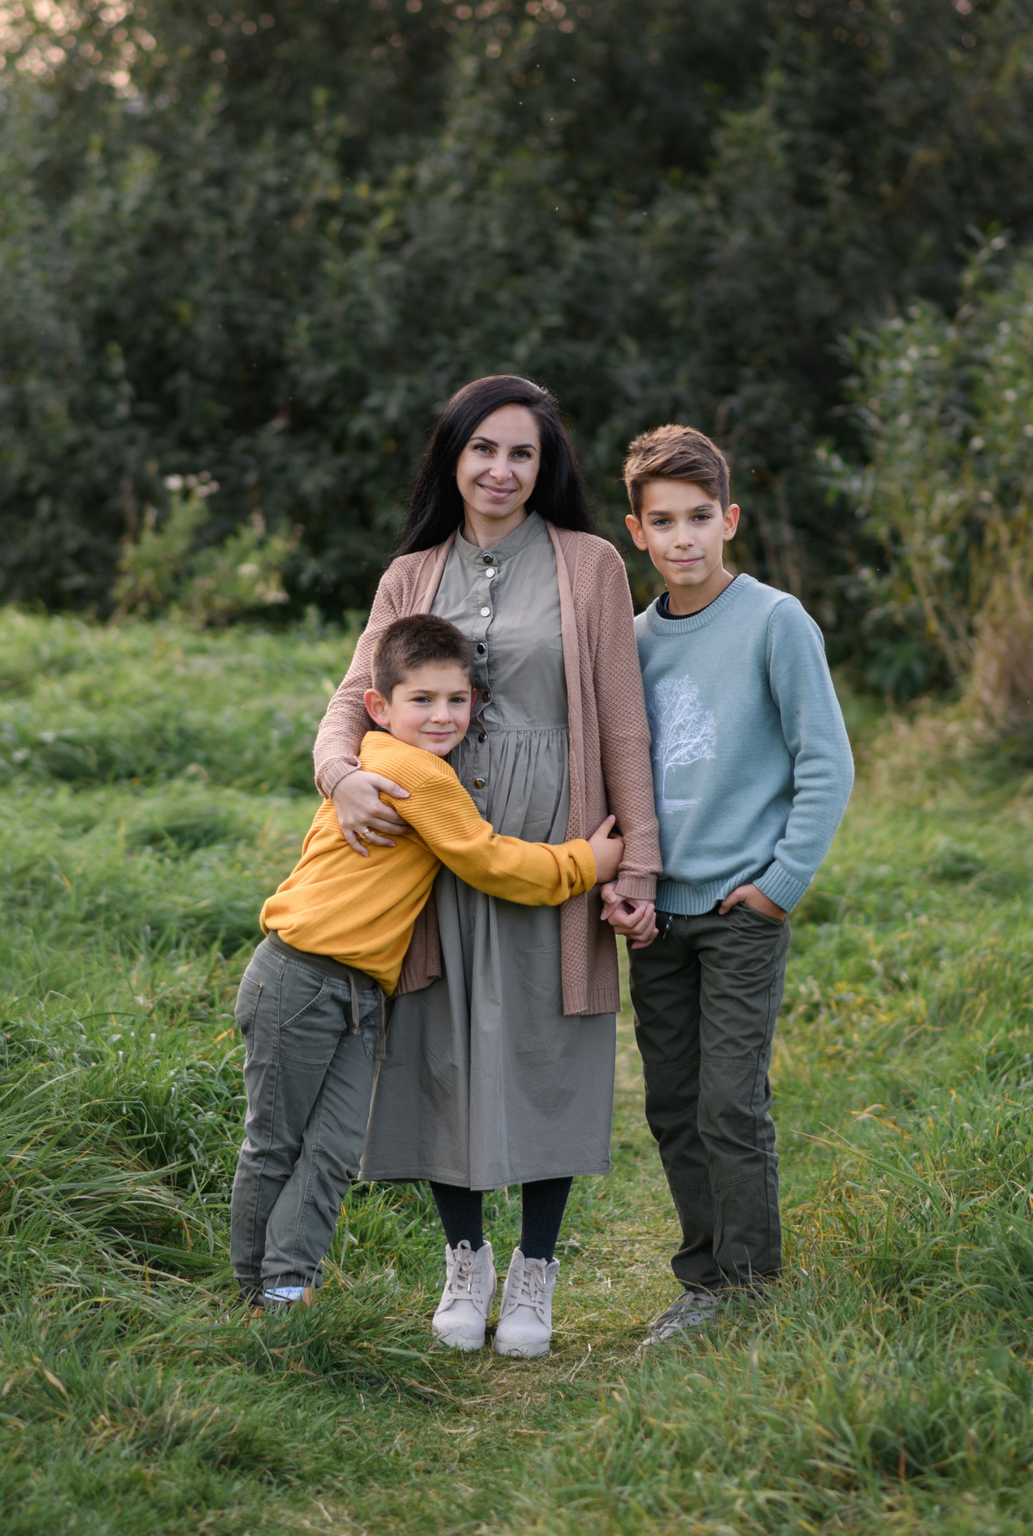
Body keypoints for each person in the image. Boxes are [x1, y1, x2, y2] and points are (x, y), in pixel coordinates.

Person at [316, 375, 660, 1358]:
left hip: (559, 832)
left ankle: (535, 1274)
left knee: (552, 1044)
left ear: (544, 466)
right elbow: (352, 699)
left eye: (522, 453)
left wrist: (633, 866)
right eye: (483, 450)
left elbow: (625, 723)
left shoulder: (591, 564)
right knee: (441, 1042)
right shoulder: (409, 575)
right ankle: (464, 1261)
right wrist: (340, 778)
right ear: (452, 459)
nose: (501, 471)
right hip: (438, 843)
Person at [233, 614, 624, 1311]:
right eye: (422, 700)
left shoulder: (395, 761)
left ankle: (286, 1290)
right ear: (378, 708)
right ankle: (248, 1294)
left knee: (330, 1153)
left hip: (359, 992)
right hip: (299, 977)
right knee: (276, 1144)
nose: (442, 715)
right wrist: (584, 864)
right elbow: (491, 861)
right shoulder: (415, 772)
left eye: (456, 699)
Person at [618, 424, 853, 1349]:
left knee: (728, 1100)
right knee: (672, 1102)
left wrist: (780, 883)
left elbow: (825, 762)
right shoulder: (631, 640)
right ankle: (704, 1274)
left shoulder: (774, 620)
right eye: (663, 521)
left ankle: (750, 1285)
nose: (684, 538)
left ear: (731, 521)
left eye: (700, 518)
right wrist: (628, 884)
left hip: (738, 910)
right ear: (636, 530)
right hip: (658, 915)